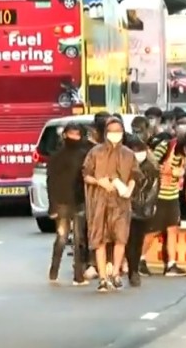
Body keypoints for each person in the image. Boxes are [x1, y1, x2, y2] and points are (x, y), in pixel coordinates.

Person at [81, 117, 138, 292]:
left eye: (118, 130)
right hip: (99, 201)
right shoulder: (95, 152)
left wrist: (129, 188)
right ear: (106, 133)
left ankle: (115, 274)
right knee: (100, 240)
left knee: (120, 238)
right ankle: (103, 278)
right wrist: (99, 182)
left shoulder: (129, 154)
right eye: (111, 131)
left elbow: (135, 175)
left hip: (121, 202)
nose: (115, 134)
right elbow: (85, 174)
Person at [140, 116, 186, 277]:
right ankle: (139, 260)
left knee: (173, 229)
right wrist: (170, 171)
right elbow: (152, 166)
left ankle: (171, 264)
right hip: (160, 195)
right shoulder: (165, 147)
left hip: (173, 195)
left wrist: (182, 172)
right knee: (153, 230)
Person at [46, 123, 92, 284]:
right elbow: (50, 182)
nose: (74, 137)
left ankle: (78, 275)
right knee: (62, 237)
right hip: (62, 203)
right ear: (65, 135)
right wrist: (52, 205)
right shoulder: (57, 157)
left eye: (77, 134)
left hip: (79, 201)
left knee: (79, 239)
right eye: (71, 134)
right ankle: (54, 270)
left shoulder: (86, 154)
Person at [124, 136, 159, 287]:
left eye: (140, 150)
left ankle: (133, 270)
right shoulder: (124, 166)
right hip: (125, 209)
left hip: (142, 210)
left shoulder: (152, 168)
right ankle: (128, 268)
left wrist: (147, 208)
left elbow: (154, 191)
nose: (138, 153)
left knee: (136, 241)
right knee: (126, 240)